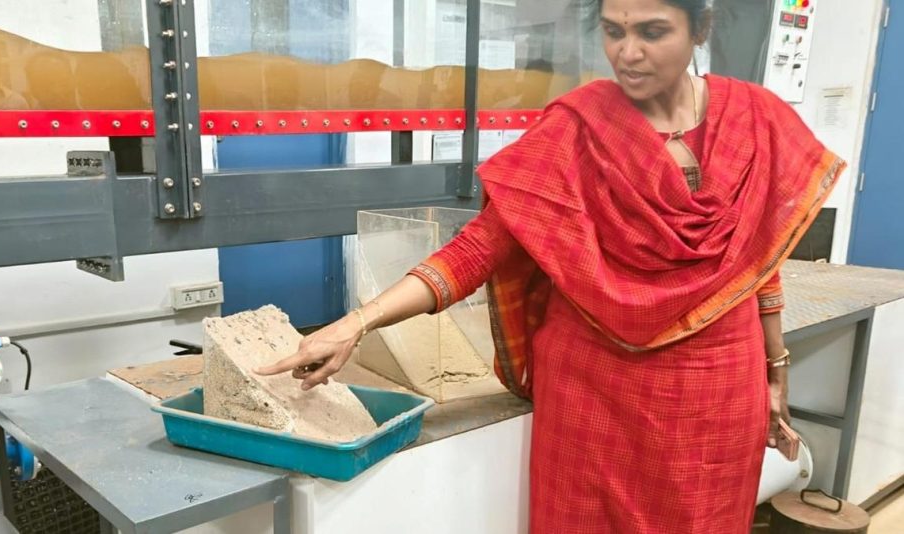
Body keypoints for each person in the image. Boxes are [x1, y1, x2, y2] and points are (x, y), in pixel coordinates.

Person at [256, 0, 845, 531]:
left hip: (716, 385)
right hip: (595, 390)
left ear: (700, 27)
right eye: (613, 31)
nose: (628, 52)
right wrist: (357, 323)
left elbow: (760, 258)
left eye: (652, 32)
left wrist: (776, 372)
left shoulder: (754, 118)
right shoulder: (576, 126)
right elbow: (480, 247)